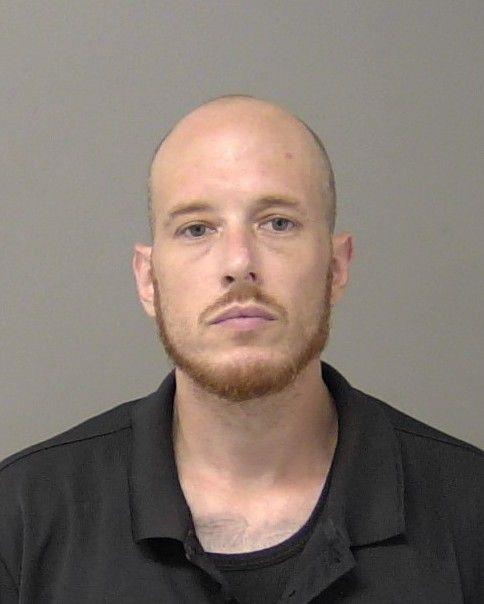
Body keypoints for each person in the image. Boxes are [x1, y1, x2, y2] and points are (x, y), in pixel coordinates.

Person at [0, 95, 481, 603]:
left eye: (277, 223)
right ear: (148, 279)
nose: (238, 263)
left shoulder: (471, 510)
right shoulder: (21, 518)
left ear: (337, 267)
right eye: (196, 228)